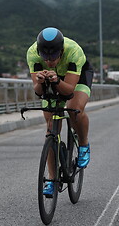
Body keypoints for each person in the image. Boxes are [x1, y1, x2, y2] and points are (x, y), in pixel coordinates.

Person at [26, 27, 93, 196]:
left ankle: (84, 144)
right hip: (52, 79)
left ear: (61, 51)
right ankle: (51, 179)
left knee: (74, 109)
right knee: (50, 130)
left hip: (77, 78)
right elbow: (38, 91)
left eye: (53, 56)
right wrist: (41, 82)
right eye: (45, 57)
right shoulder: (32, 53)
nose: (49, 61)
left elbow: (69, 90)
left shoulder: (74, 52)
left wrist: (56, 80)